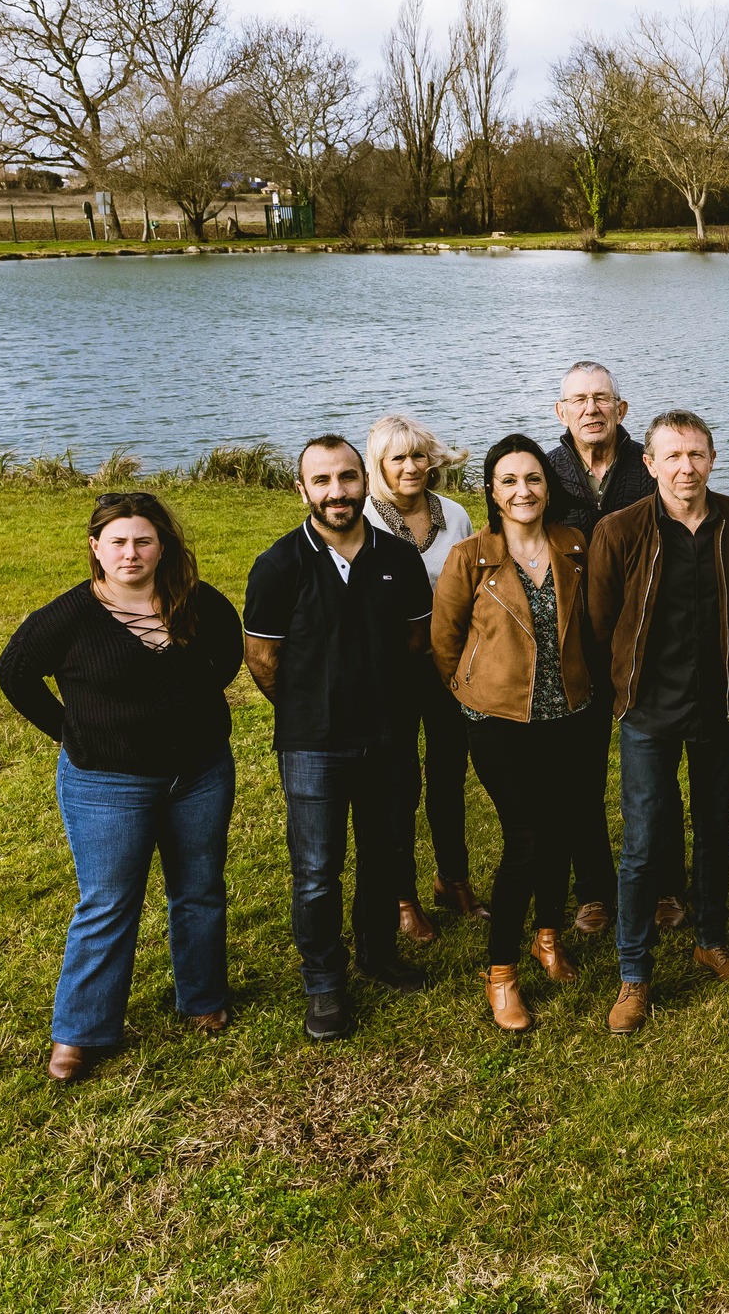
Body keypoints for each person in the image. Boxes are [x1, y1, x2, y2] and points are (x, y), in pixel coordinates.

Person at [0, 494, 243, 1082]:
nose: (130, 553)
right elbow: (14, 673)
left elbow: (227, 659)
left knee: (200, 889)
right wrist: (70, 730)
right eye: (118, 542)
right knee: (107, 902)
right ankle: (80, 1031)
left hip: (200, 774)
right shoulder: (70, 617)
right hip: (107, 783)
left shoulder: (199, 603)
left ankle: (203, 997)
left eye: (144, 541)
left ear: (163, 546)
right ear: (95, 548)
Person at [244, 435, 435, 1042]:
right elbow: (263, 659)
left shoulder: (398, 560)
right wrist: (315, 707)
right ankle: (324, 984)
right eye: (322, 481)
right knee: (317, 871)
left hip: (388, 738)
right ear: (302, 490)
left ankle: (377, 957)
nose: (337, 492)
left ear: (364, 482)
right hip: (312, 745)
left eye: (348, 478)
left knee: (386, 857)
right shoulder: (278, 565)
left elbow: (415, 643)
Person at [586, 409, 729, 1035]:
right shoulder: (620, 530)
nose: (685, 468)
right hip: (647, 711)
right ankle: (633, 973)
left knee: (714, 828)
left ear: (712, 460)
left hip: (718, 706)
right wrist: (622, 694)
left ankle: (710, 939)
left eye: (696, 455)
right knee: (642, 844)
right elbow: (600, 621)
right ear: (650, 463)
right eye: (673, 456)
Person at [432, 435, 605, 1032]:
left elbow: (592, 625)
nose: (523, 491)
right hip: (500, 721)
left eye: (532, 479)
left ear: (547, 487)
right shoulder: (471, 557)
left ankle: (548, 936)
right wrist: (472, 692)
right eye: (509, 481)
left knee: (561, 830)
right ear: (492, 491)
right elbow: (445, 640)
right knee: (527, 838)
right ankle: (501, 972)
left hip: (571, 717)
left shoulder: (574, 545)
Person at [545, 359, 660, 935]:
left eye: (602, 398)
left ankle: (664, 884)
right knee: (577, 775)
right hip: (575, 647)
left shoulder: (652, 465)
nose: (591, 409)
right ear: (561, 412)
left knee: (657, 771)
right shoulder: (543, 474)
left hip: (647, 643)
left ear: (622, 408)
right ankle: (591, 889)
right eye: (579, 400)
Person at [363, 413, 482, 936]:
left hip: (446, 666)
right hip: (388, 673)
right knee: (397, 784)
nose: (411, 467)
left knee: (449, 776)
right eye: (398, 458)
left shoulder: (453, 514)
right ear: (378, 466)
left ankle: (452, 879)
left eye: (418, 456)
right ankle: (402, 896)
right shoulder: (362, 516)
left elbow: (473, 586)